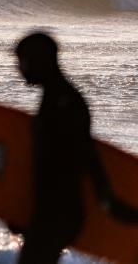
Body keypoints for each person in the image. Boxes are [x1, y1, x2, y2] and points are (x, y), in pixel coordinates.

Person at [14, 32, 138, 264]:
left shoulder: (65, 104)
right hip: (50, 212)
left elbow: (87, 158)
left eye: (23, 61)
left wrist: (112, 205)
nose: (19, 68)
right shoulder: (55, 99)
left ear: (40, 61)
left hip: (58, 214)